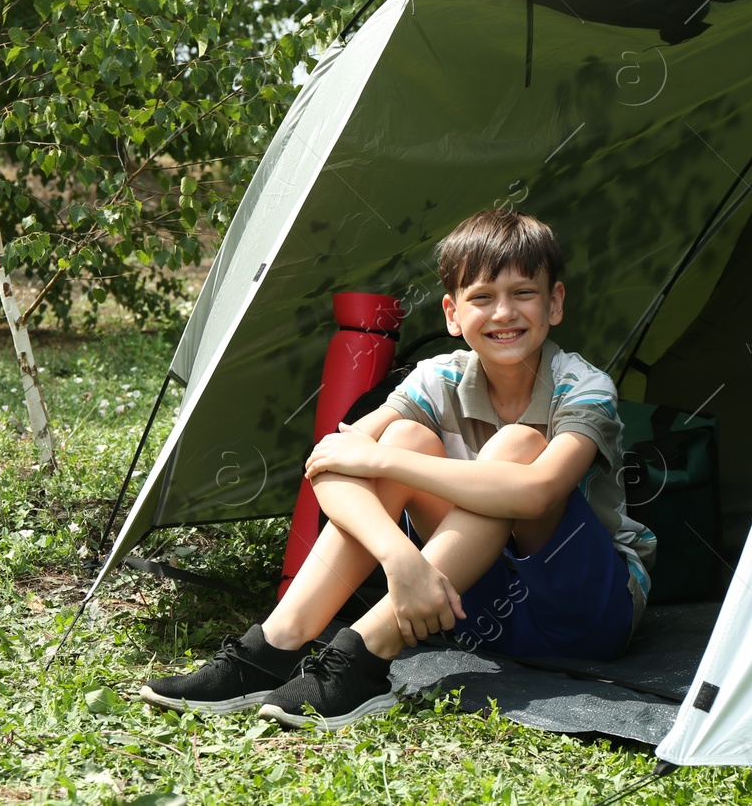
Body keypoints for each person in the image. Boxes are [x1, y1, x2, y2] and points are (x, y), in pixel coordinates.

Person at [139, 208, 656, 730]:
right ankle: (275, 646)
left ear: (555, 303)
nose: (504, 313)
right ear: (452, 314)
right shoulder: (439, 377)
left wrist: (386, 458)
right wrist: (399, 558)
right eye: (482, 297)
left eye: (523, 293)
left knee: (516, 445)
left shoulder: (584, 386)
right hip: (462, 602)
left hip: (587, 615)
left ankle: (365, 654)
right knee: (405, 433)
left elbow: (538, 493)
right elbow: (329, 464)